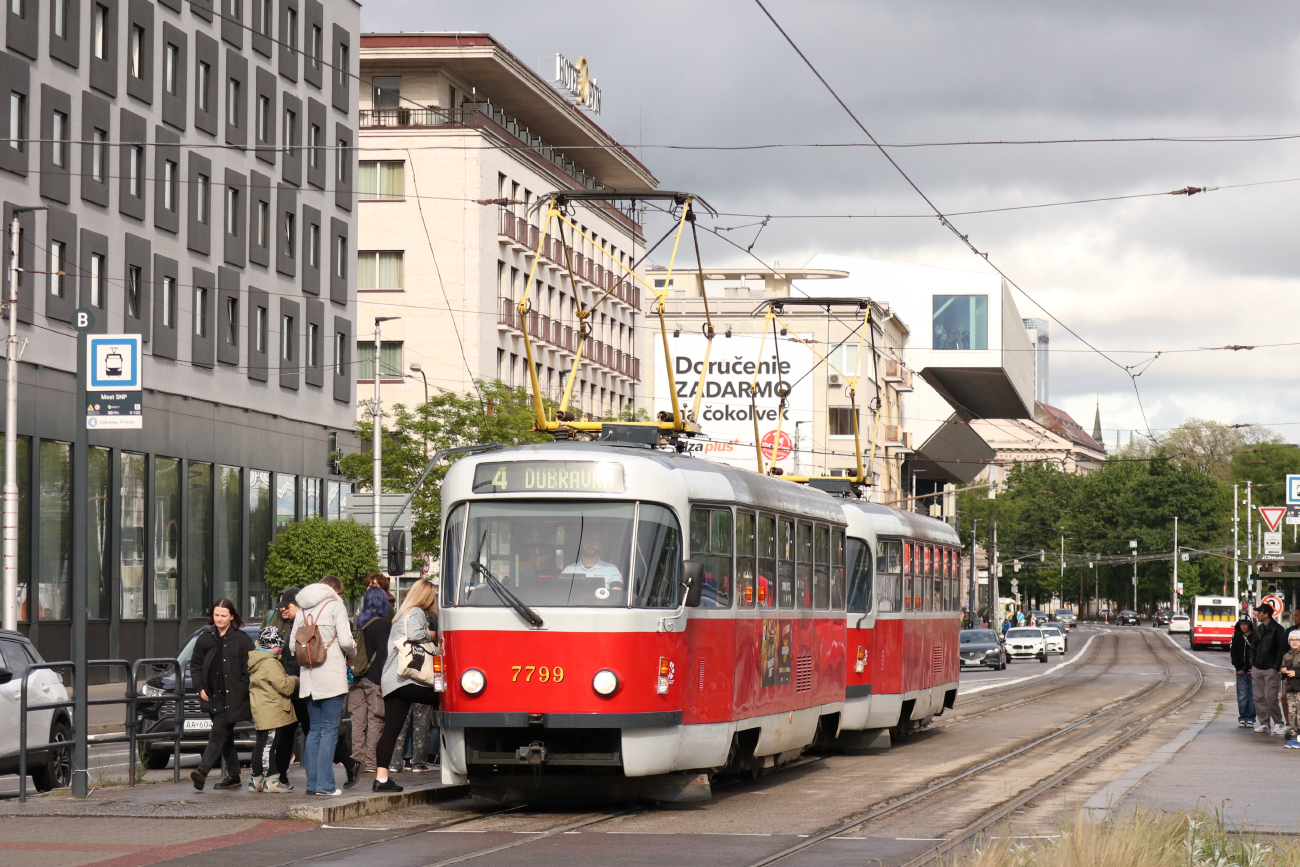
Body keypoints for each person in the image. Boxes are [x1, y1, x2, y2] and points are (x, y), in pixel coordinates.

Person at [373, 580, 441, 793]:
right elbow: (415, 636)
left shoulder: (401, 614)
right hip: (407, 679)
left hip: (393, 681)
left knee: (391, 730)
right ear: (426, 596)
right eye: (433, 596)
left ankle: (381, 779)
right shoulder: (416, 612)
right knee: (445, 698)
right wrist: (433, 635)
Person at [291, 577, 356, 796]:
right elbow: (347, 642)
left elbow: (293, 645)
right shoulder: (336, 606)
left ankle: (312, 785)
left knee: (315, 731)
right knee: (329, 730)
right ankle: (325, 786)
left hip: (309, 679)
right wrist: (352, 654)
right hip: (331, 677)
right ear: (336, 590)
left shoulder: (301, 610)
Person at [189, 599, 254, 791]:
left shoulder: (242, 640)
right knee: (225, 737)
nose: (219, 619)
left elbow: (249, 671)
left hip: (233, 698)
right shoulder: (205, 638)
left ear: (232, 616)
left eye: (223, 615)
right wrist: (200, 687)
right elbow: (196, 665)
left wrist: (240, 692)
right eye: (216, 615)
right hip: (212, 695)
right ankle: (234, 776)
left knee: (218, 733)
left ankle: (202, 771)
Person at [247, 626, 297, 792]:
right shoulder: (270, 663)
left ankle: (256, 778)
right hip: (272, 712)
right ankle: (272, 779)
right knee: (270, 745)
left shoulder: (257, 660)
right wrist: (295, 680)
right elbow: (284, 686)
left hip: (261, 710)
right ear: (274, 645)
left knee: (260, 745)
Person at [349, 586, 391, 772]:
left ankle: (357, 761)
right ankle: (372, 763)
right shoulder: (381, 625)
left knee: (358, 723)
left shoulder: (358, 623)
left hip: (356, 678)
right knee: (375, 721)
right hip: (374, 679)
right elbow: (383, 655)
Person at [1251, 601, 1289, 735]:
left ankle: (1278, 723)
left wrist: (1276, 666)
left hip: (1271, 668)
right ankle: (1264, 723)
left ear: (1266, 614)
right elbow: (1253, 647)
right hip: (1257, 667)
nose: (1257, 615)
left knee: (1270, 697)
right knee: (1258, 697)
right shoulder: (1258, 629)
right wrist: (1252, 664)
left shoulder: (1278, 629)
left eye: (1259, 612)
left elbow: (1282, 649)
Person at [1231, 618, 1256, 728]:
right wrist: (1238, 667)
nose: (1244, 626)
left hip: (1253, 670)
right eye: (1241, 624)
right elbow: (1233, 652)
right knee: (1242, 694)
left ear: (1250, 625)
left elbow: (1258, 652)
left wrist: (1254, 666)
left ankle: (1251, 718)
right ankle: (1243, 717)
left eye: (1246, 624)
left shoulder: (1255, 636)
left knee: (1252, 694)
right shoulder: (1236, 636)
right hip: (1240, 670)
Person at [1282, 630, 1300, 748]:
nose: (1294, 642)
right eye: (1292, 640)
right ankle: (1293, 737)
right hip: (1290, 688)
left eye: (1297, 640)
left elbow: (1295, 672)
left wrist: (1296, 673)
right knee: (1292, 714)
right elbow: (1284, 674)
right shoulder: (1286, 656)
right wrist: (1283, 671)